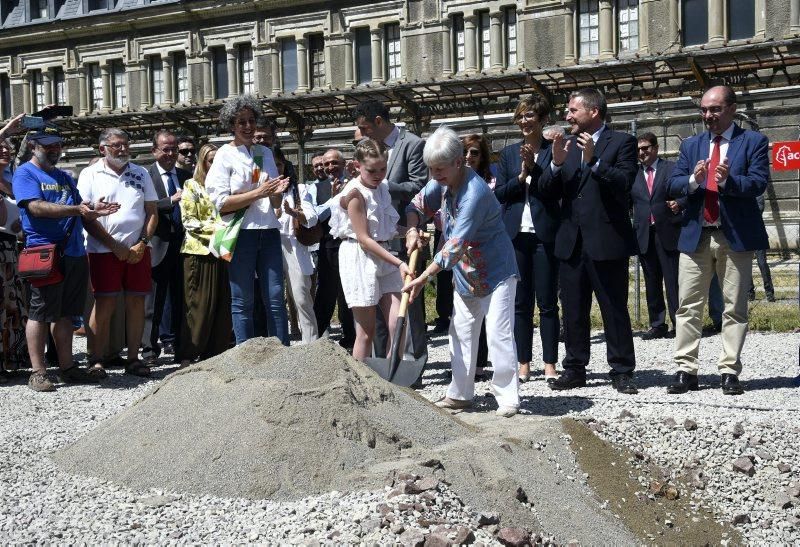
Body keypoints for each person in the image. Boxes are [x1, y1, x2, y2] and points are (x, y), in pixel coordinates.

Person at [405, 126, 519, 416]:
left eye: (440, 169)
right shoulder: (440, 181)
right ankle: (460, 394)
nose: (435, 175)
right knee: (461, 333)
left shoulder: (475, 192)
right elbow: (416, 205)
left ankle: (508, 397)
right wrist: (412, 228)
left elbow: (454, 246)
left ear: (459, 162)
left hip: (495, 271)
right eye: (432, 169)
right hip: (465, 274)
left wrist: (423, 276)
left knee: (497, 333)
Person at [667, 85, 770, 396]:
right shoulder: (692, 145)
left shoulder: (753, 141)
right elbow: (673, 184)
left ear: (732, 109)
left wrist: (727, 180)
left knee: (734, 306)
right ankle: (686, 369)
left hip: (734, 235)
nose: (707, 115)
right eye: (704, 109)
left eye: (714, 109)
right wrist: (694, 181)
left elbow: (758, 182)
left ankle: (729, 371)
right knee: (688, 306)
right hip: (696, 236)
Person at [539, 88, 639, 394]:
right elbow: (545, 192)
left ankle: (621, 369)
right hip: (571, 241)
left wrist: (594, 162)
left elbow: (624, 183)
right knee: (572, 309)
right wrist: (555, 165)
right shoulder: (564, 145)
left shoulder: (622, 142)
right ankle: (575, 367)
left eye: (573, 110)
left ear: (593, 112)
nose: (567, 116)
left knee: (613, 306)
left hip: (606, 239)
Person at [12, 126, 120, 391]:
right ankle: (38, 373)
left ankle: (67, 367)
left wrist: (94, 211)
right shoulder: (25, 173)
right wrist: (76, 209)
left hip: (73, 253)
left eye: (58, 145)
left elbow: (81, 209)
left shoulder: (64, 176)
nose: (54, 149)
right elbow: (35, 207)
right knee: (40, 313)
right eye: (48, 145)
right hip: (44, 253)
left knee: (66, 314)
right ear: (33, 146)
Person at [205, 94, 290, 345]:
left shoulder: (264, 152)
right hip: (242, 232)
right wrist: (258, 193)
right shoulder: (223, 155)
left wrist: (276, 194)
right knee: (242, 299)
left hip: (269, 230)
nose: (248, 126)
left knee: (275, 296)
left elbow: (275, 203)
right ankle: (245, 354)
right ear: (231, 124)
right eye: (241, 121)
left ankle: (282, 351)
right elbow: (220, 203)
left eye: (251, 120)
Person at [354, 100, 428, 370]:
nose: (363, 134)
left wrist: (382, 184)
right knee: (377, 307)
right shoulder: (370, 149)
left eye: (364, 128)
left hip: (404, 234)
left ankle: (415, 364)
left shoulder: (413, 144)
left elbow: (420, 186)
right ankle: (382, 366)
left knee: (410, 305)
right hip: (375, 241)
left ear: (378, 121)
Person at [78, 128, 158, 378]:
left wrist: (142, 242)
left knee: (136, 302)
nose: (123, 149)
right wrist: (114, 245)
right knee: (104, 304)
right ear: (102, 149)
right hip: (103, 249)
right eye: (116, 145)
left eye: (125, 144)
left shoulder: (141, 172)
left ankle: (133, 358)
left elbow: (152, 211)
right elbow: (85, 215)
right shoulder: (90, 174)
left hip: (137, 250)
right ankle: (96, 359)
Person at [494, 96, 562, 385]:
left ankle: (549, 363)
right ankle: (523, 362)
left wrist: (534, 167)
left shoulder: (551, 151)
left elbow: (552, 189)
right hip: (515, 235)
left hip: (544, 233)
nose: (524, 121)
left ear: (542, 119)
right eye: (520, 116)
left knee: (547, 302)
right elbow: (500, 194)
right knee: (520, 303)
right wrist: (521, 176)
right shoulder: (508, 154)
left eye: (530, 116)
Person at [329, 138, 409, 360]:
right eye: (372, 170)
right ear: (357, 166)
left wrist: (410, 231)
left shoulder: (382, 188)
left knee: (399, 323)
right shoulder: (354, 194)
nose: (379, 174)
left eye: (383, 168)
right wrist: (400, 262)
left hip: (382, 254)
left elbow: (386, 229)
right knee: (366, 332)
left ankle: (393, 380)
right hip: (359, 257)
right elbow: (364, 238)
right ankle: (360, 383)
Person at [176, 143, 232, 366]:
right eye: (211, 160)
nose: (215, 165)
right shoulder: (192, 185)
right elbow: (190, 222)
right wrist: (223, 232)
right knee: (198, 305)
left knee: (222, 304)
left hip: (224, 251)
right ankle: (188, 354)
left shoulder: (228, 186)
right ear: (202, 162)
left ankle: (215, 354)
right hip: (199, 252)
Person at [143, 130, 191, 363]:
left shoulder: (186, 176)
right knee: (153, 303)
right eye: (166, 149)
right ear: (155, 151)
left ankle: (182, 350)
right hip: (157, 245)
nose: (171, 154)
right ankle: (150, 351)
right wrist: (168, 202)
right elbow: (142, 207)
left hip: (184, 246)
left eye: (174, 149)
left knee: (182, 300)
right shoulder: (145, 176)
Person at [631, 132, 685, 340]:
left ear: (655, 148)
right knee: (651, 281)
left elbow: (687, 193)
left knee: (673, 282)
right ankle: (657, 324)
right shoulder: (633, 174)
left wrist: (679, 204)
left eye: (645, 148)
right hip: (644, 234)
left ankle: (679, 323)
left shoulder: (671, 169)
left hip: (668, 232)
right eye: (638, 150)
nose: (641, 153)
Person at [311, 148, 355, 349]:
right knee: (326, 292)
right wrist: (333, 199)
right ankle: (316, 338)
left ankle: (350, 337)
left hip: (351, 243)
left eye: (334, 163)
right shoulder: (316, 188)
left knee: (347, 293)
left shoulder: (355, 184)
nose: (330, 167)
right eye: (326, 164)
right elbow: (315, 218)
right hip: (328, 245)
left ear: (343, 163)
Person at [275, 146, 319, 344]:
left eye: (278, 164)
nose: (275, 169)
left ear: (284, 166)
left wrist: (294, 213)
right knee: (273, 297)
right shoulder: (256, 190)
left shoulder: (299, 190)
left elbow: (311, 217)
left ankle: (311, 342)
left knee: (301, 295)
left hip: (293, 245)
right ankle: (277, 342)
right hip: (268, 245)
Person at [0, 136, 29, 377]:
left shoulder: (14, 179)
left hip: (11, 249)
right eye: (0, 147)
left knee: (13, 306)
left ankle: (12, 359)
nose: (5, 151)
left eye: (7, 147)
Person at [749, 191, 775, 302]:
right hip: (745, 235)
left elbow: (759, 210)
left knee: (762, 263)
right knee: (746, 265)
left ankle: (769, 293)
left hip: (758, 234)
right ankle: (749, 293)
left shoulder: (758, 193)